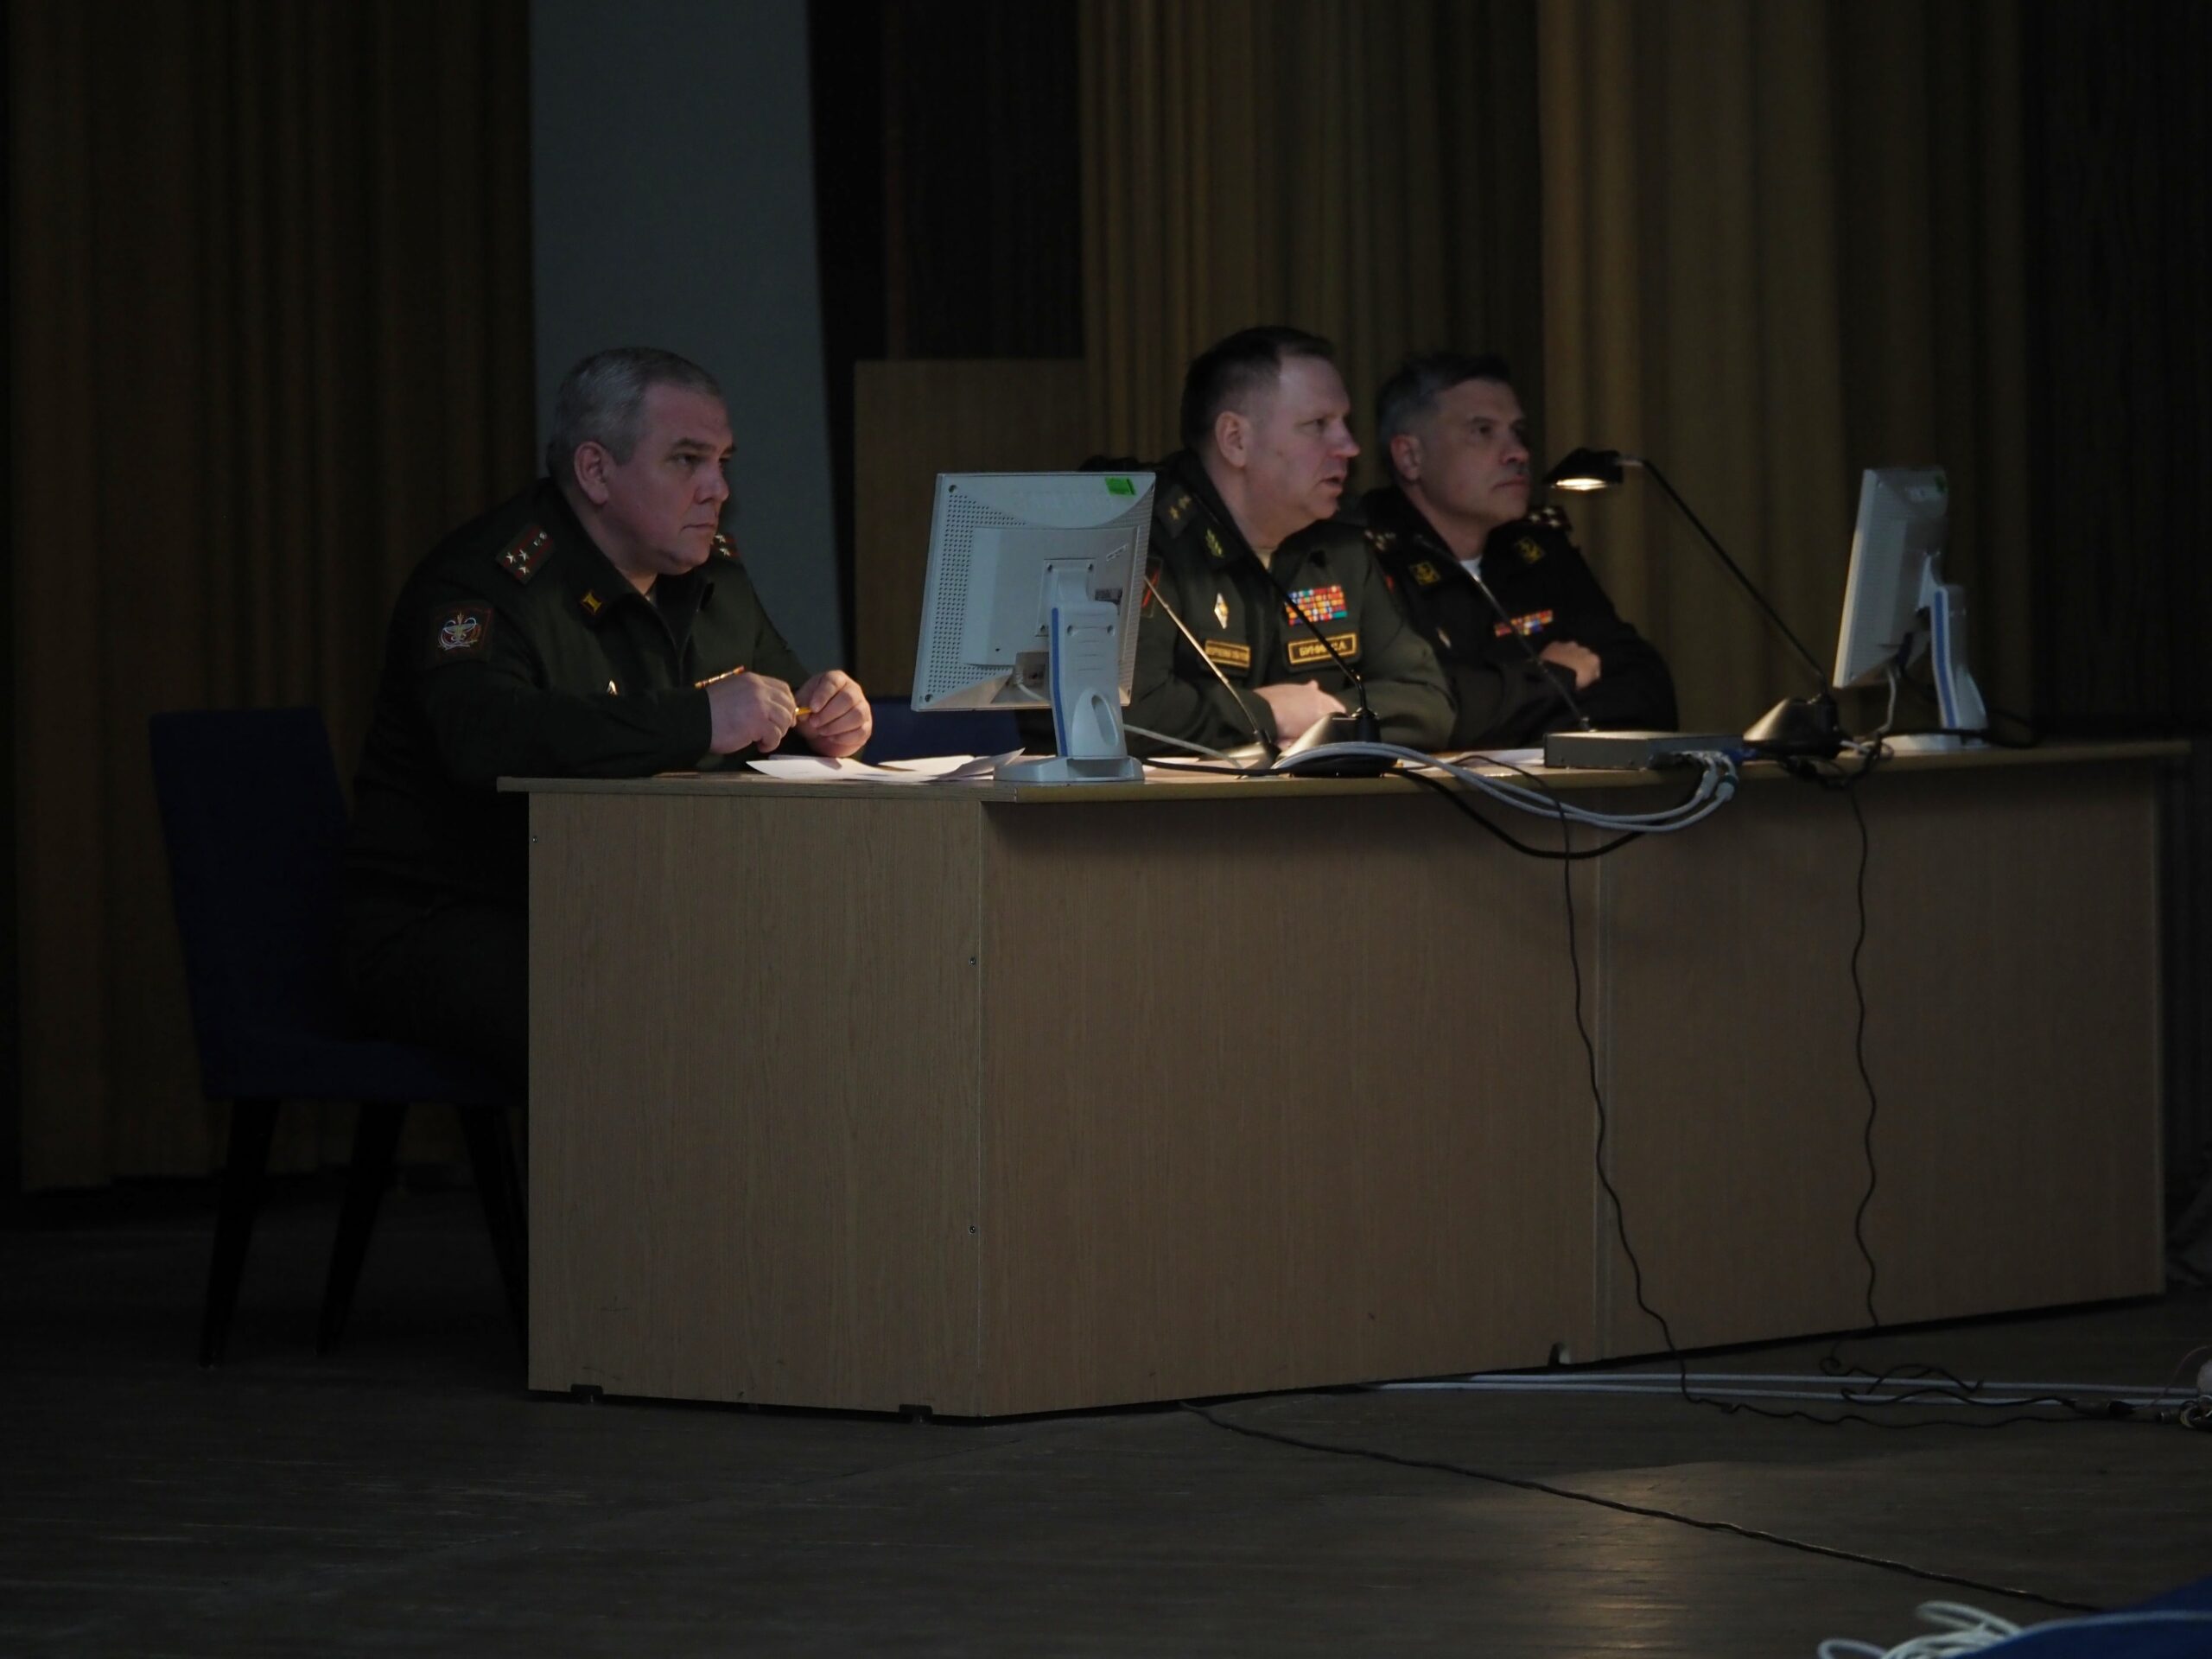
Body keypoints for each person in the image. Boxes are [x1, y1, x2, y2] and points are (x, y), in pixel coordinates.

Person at [343, 346, 871, 1087]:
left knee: (817, 971)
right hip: (455, 917)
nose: (718, 489)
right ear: (595, 471)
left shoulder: (713, 576)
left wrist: (829, 716)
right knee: (646, 1001)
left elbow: (781, 709)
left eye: (723, 462)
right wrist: (696, 719)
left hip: (634, 907)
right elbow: (486, 739)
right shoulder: (487, 581)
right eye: (686, 460)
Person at [1123, 327, 1453, 757]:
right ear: (1235, 440)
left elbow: (1429, 701)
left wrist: (1325, 718)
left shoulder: (1339, 545)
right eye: (1318, 425)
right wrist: (1269, 712)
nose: (1350, 446)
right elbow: (1126, 714)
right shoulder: (1146, 540)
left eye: (1345, 423)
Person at [1362, 352, 1676, 749]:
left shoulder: (1536, 546)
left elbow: (1644, 685)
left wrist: (1513, 709)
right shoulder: (1364, 557)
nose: (1518, 453)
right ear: (1411, 457)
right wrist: (1551, 678)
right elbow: (1423, 713)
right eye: (1483, 431)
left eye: (1517, 432)